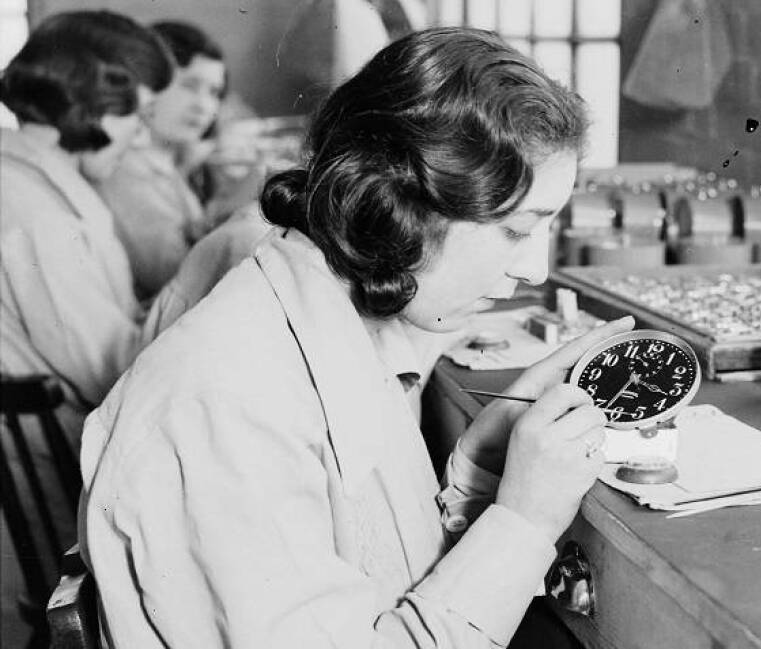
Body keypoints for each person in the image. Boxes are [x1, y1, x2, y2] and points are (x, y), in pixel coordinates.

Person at [80, 27, 632, 647]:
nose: (535, 268)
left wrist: (478, 475)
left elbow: (380, 572)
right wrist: (525, 519)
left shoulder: (327, 325)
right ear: (399, 207)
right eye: (516, 230)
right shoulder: (228, 404)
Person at [0, 10, 173, 440]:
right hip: (63, 462)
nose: (142, 138)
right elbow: (114, 375)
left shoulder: (24, 175)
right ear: (96, 106)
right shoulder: (39, 216)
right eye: (142, 115)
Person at [94, 20, 261, 300]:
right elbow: (177, 279)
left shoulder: (164, 159)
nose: (204, 106)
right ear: (147, 83)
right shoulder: (127, 169)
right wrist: (239, 210)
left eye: (214, 93)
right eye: (190, 85)